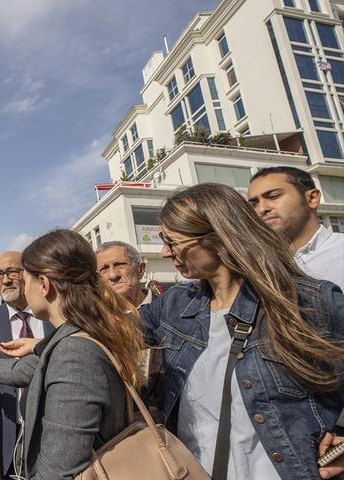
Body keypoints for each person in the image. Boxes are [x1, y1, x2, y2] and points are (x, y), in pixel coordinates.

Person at [141, 183, 344, 479]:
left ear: (217, 238)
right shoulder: (174, 307)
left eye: (172, 241)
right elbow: (108, 331)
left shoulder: (308, 301)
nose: (165, 251)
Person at [0, 230, 144, 479]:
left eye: (25, 277)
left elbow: (58, 470)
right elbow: (23, 370)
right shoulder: (77, 335)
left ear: (43, 284)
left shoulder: (74, 354)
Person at [0, 250, 55, 479]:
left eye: (12, 271)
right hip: (8, 439)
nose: (5, 280)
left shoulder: (53, 312)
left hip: (52, 434)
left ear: (29, 273)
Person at [248, 166, 344, 287]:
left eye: (273, 196)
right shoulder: (256, 267)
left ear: (312, 198)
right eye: (254, 204)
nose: (262, 209)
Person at [95, 241, 162, 397]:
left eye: (120, 265)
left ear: (140, 270)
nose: (113, 275)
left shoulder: (169, 310)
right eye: (104, 269)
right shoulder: (97, 323)